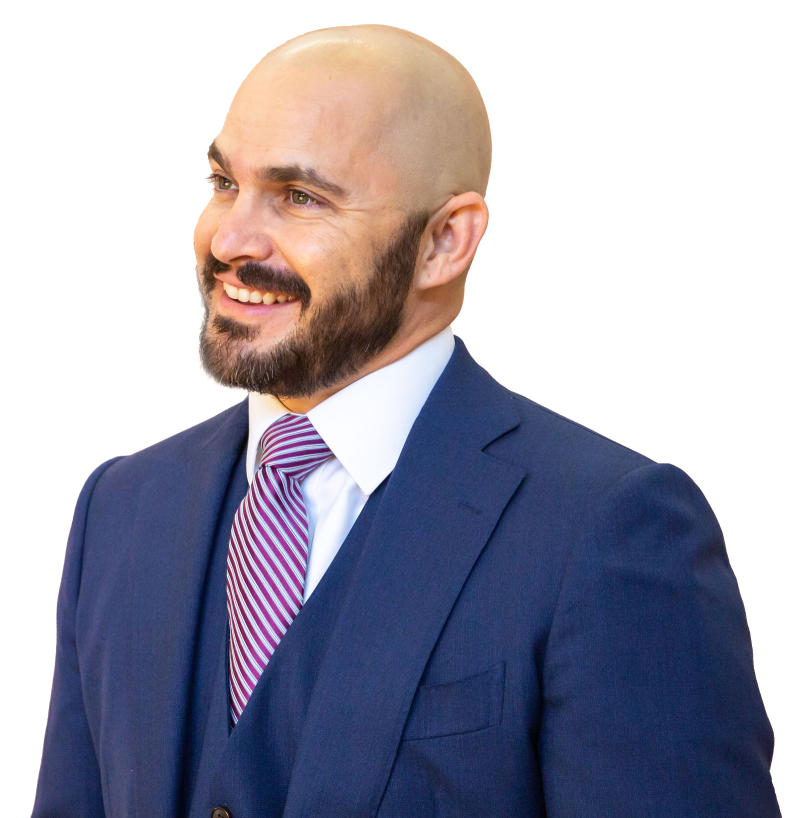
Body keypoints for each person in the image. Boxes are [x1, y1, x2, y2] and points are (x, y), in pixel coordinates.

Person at [33, 24, 779, 818]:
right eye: (222, 182)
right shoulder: (122, 505)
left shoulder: (610, 525)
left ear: (445, 242)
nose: (229, 238)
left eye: (300, 197)